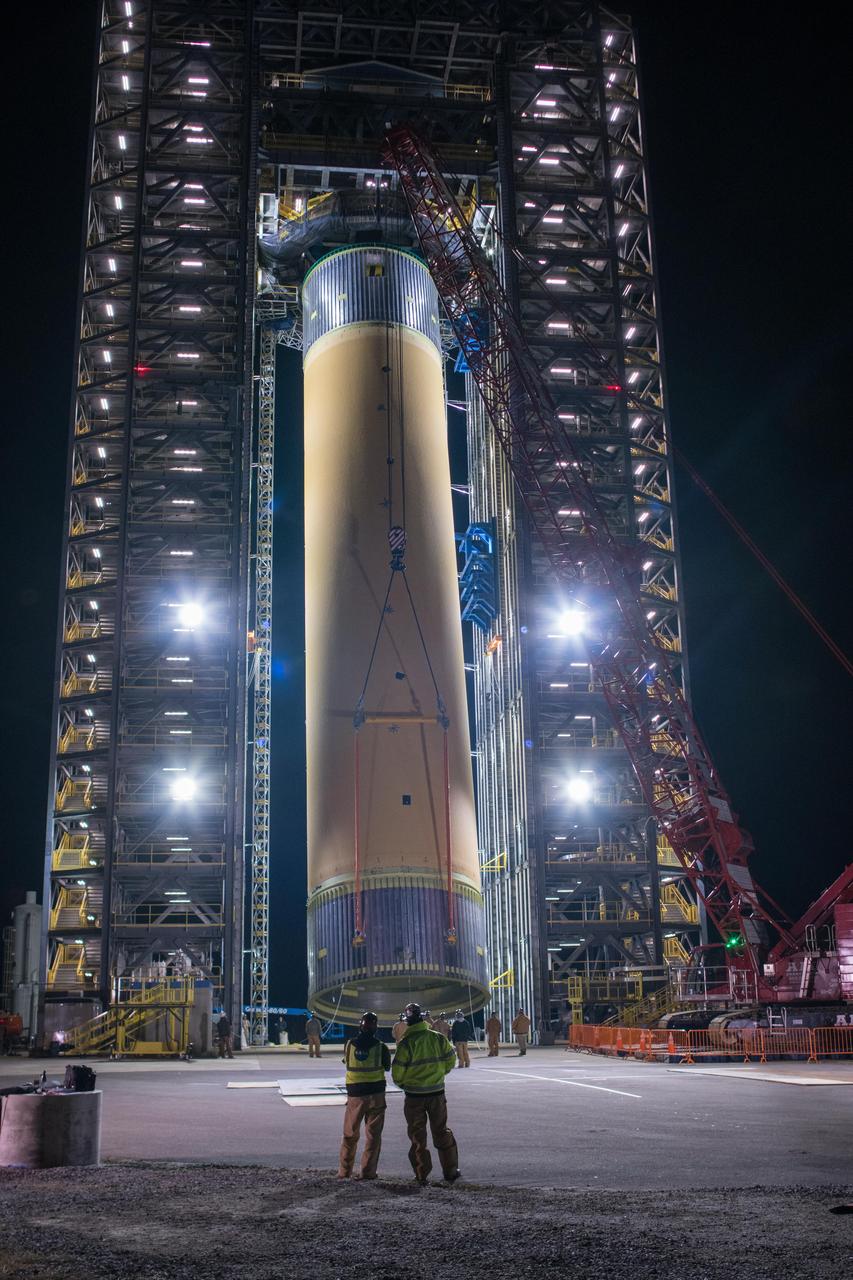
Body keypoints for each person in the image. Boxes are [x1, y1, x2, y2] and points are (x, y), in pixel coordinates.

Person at [391, 1002, 459, 1185]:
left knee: (417, 1137)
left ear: (407, 1022)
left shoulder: (406, 1043)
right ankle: (451, 1171)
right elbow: (451, 1060)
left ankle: (421, 1175)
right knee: (441, 1131)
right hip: (437, 1093)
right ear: (421, 1018)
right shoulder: (437, 1038)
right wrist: (439, 1074)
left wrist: (406, 1084)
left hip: (414, 1097)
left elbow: (397, 1072)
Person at [338, 1011, 391, 1180]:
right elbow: (387, 1067)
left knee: (350, 1134)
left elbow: (347, 1063)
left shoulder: (349, 1045)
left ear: (360, 1025)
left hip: (355, 1096)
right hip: (376, 1095)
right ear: (375, 1027)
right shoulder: (381, 1047)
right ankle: (368, 1172)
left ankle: (344, 1172)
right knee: (373, 1136)